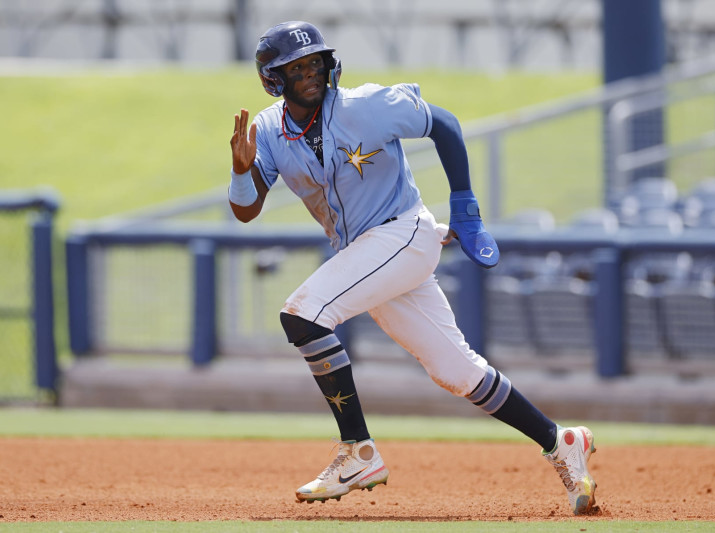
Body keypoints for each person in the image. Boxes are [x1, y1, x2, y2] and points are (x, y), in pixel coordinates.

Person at [228, 20, 597, 515]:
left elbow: (442, 123)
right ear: (274, 79)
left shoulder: (365, 106)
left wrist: (464, 206)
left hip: (403, 233)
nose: (309, 73)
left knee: (303, 312)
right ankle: (561, 442)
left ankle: (357, 451)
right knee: (456, 371)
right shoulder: (270, 132)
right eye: (296, 68)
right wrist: (240, 170)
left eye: (314, 62)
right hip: (366, 253)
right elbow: (247, 210)